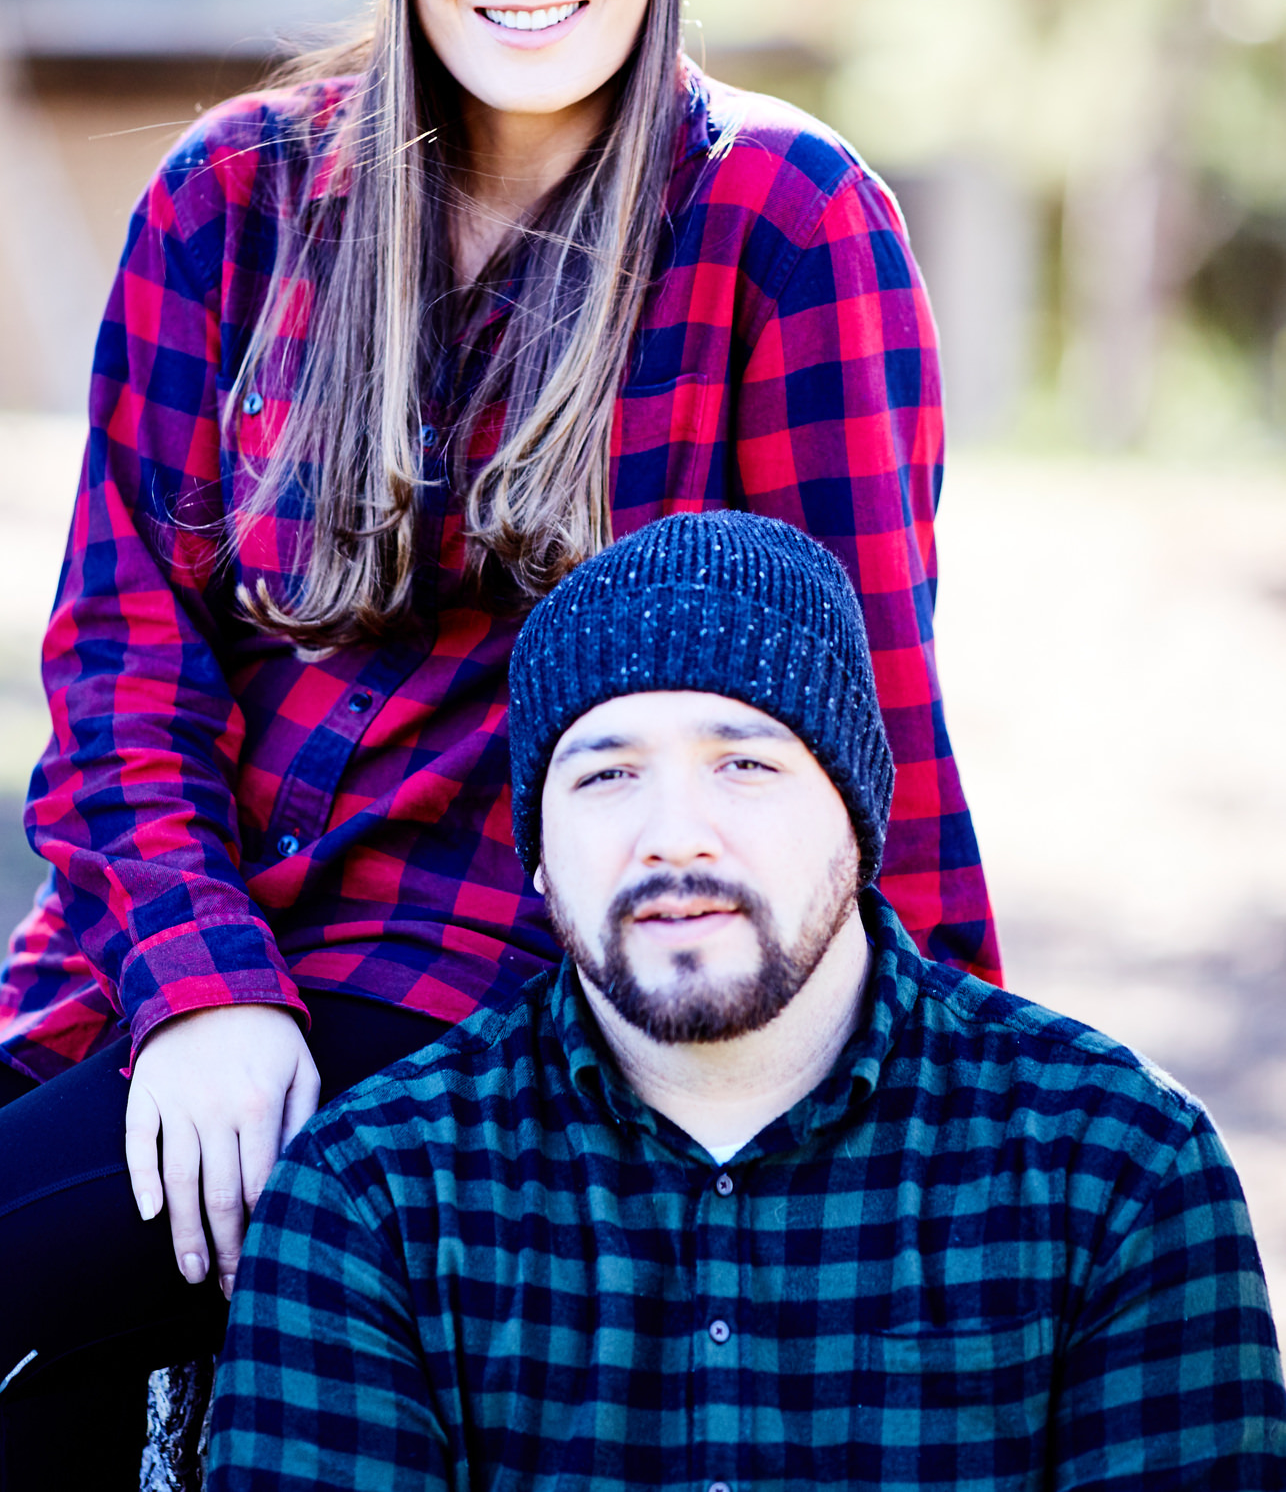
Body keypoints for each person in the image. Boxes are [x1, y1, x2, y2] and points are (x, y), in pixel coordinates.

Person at [0, 0, 998, 1491]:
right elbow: (121, 659)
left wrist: (956, 1126)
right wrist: (204, 985)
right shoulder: (233, 199)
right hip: (167, 949)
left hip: (487, 993)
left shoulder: (786, 226)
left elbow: (865, 721)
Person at [207, 509, 1286, 1491]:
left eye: (745, 766)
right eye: (605, 776)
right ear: (537, 857)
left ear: (856, 818)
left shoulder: (1114, 1168)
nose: (675, 834)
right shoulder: (375, 1196)